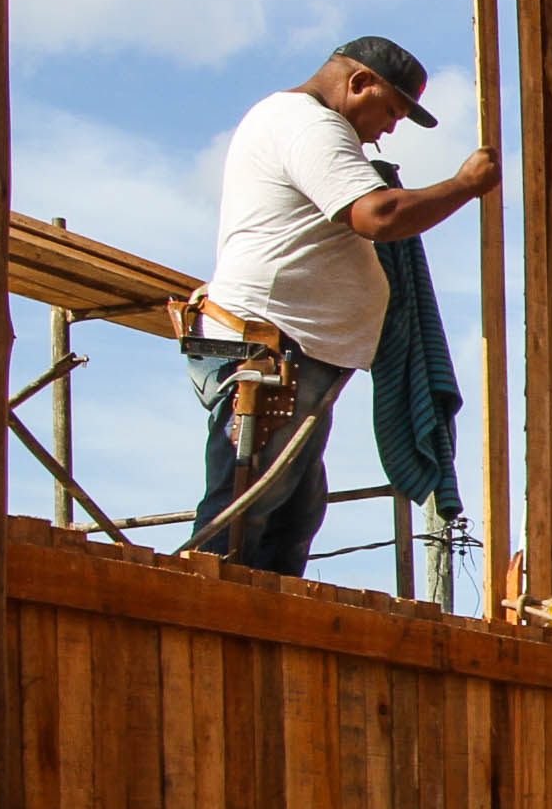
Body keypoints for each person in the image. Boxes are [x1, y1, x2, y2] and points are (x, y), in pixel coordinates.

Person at [182, 40, 497, 575]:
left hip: (292, 352)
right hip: (272, 351)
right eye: (391, 111)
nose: (389, 130)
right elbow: (378, 215)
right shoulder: (310, 126)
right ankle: (204, 615)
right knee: (245, 511)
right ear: (358, 84)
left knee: (291, 515)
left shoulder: (297, 123)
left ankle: (260, 631)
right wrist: (464, 186)